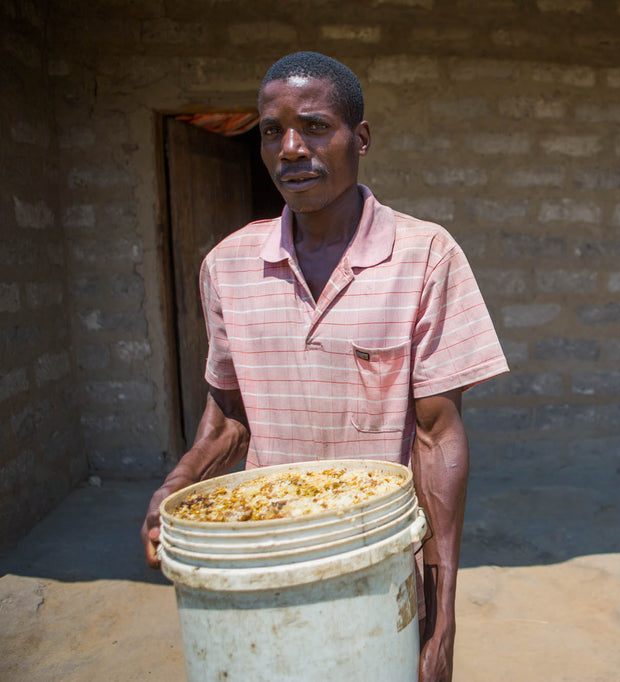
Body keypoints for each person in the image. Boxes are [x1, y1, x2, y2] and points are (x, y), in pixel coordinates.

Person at [140, 51, 508, 682]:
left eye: (313, 127)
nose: (289, 148)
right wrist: (176, 485)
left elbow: (437, 434)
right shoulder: (228, 266)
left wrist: (443, 616)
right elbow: (229, 416)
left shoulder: (424, 256)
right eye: (271, 130)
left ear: (359, 139)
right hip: (264, 554)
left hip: (378, 557)